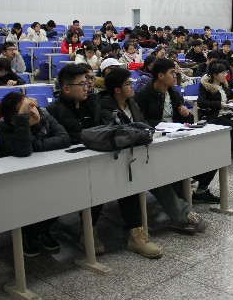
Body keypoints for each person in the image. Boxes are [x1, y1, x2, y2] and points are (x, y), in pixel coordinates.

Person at [47, 64, 163, 258]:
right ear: (66, 88)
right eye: (82, 84)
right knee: (96, 184)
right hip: (70, 165)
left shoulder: (93, 104)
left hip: (98, 160)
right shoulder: (53, 111)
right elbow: (59, 141)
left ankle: (135, 233)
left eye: (88, 82)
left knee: (125, 178)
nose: (87, 87)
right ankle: (88, 230)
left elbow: (106, 130)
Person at [99, 68, 209, 233]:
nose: (132, 86)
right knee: (152, 179)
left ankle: (185, 214)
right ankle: (184, 214)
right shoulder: (106, 108)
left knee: (162, 177)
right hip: (119, 159)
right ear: (117, 90)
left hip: (140, 153)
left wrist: (147, 133)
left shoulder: (131, 104)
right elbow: (118, 132)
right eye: (128, 84)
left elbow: (143, 125)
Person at [134, 58, 220, 203]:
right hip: (158, 139)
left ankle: (200, 191)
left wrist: (185, 113)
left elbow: (186, 117)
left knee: (212, 156)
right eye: (172, 73)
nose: (175, 76)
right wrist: (160, 125)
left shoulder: (172, 91)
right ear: (161, 76)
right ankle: (178, 200)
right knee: (178, 185)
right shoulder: (144, 94)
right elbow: (140, 122)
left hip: (178, 135)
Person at [0, 92, 70, 256]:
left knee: (59, 192)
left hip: (43, 170)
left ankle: (43, 227)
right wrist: (22, 121)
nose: (34, 113)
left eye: (31, 106)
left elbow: (64, 138)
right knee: (27, 198)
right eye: (25, 112)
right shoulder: (3, 127)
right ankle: (27, 232)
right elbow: (23, 151)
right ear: (14, 120)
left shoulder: (43, 113)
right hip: (15, 178)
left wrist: (34, 145)